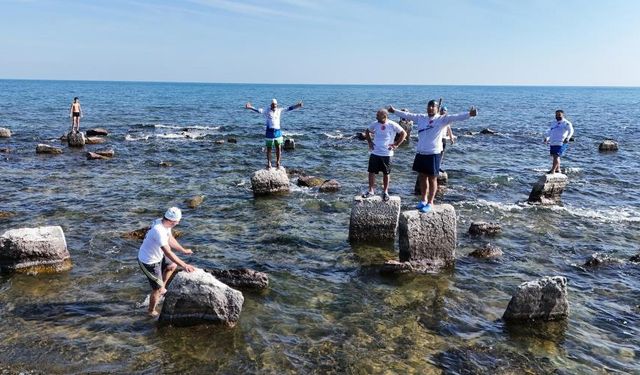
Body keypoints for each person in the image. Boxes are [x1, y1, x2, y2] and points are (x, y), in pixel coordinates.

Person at [389, 100, 477, 213]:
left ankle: (430, 202)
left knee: (432, 178)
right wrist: (394, 111)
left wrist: (469, 114)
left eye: (433, 107)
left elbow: (456, 117)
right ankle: (423, 200)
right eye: (429, 106)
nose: (430, 108)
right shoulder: (421, 117)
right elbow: (408, 115)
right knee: (422, 177)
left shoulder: (442, 119)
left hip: (434, 153)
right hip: (421, 152)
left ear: (436, 108)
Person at [137, 207, 195, 317]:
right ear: (172, 221)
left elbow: (170, 239)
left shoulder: (163, 223)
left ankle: (162, 287)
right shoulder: (158, 231)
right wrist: (184, 265)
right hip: (148, 262)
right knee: (156, 290)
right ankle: (151, 311)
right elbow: (168, 252)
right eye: (178, 220)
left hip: (158, 256)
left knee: (172, 265)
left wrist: (183, 250)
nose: (179, 222)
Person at [362, 109, 407, 201]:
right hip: (375, 152)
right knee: (371, 172)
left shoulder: (392, 124)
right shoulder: (375, 124)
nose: (376, 117)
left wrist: (396, 144)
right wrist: (369, 142)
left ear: (384, 116)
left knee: (386, 173)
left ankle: (385, 191)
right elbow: (367, 131)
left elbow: (404, 133)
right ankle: (371, 191)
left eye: (378, 115)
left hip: (387, 153)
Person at [245, 99, 303, 169]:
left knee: (278, 148)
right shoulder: (267, 110)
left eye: (275, 104)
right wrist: (250, 107)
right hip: (269, 132)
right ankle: (269, 163)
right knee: (269, 148)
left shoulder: (279, 110)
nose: (274, 105)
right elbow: (258, 110)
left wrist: (297, 106)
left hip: (278, 132)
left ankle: (278, 162)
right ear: (271, 105)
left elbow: (289, 108)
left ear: (277, 105)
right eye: (272, 104)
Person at [543, 109, 574, 174]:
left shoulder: (566, 123)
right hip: (553, 142)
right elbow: (550, 131)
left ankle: (552, 170)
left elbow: (571, 131)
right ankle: (558, 169)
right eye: (556, 115)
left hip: (561, 142)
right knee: (555, 156)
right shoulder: (554, 123)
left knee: (556, 155)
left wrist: (568, 138)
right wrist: (547, 138)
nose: (557, 116)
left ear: (563, 115)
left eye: (559, 115)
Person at [439, 106, 456, 172]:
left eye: (444, 112)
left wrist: (451, 138)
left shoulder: (447, 121)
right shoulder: (437, 119)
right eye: (442, 111)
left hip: (443, 139)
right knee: (436, 152)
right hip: (438, 138)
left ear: (446, 113)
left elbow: (449, 130)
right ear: (440, 112)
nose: (443, 113)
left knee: (442, 153)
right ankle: (434, 166)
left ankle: (438, 166)